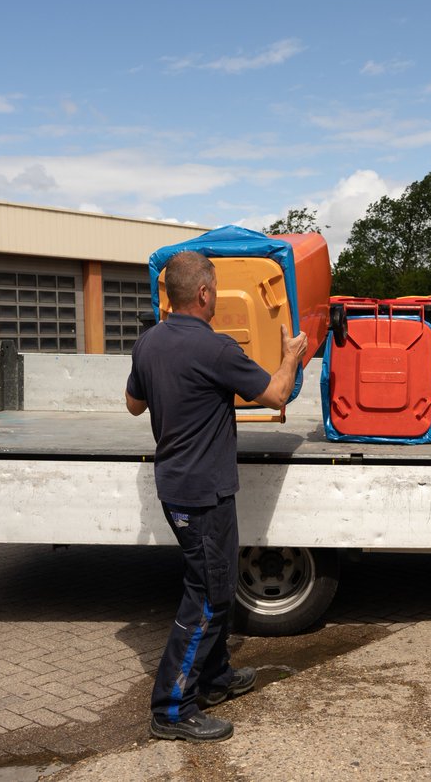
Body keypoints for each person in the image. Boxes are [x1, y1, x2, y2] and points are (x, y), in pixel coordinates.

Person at [126, 250, 308, 741]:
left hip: (179, 486)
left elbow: (132, 405)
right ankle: (171, 709)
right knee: (207, 595)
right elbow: (275, 394)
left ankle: (215, 677)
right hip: (202, 492)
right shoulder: (217, 349)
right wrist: (290, 356)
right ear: (205, 293)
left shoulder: (149, 344)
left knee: (219, 583)